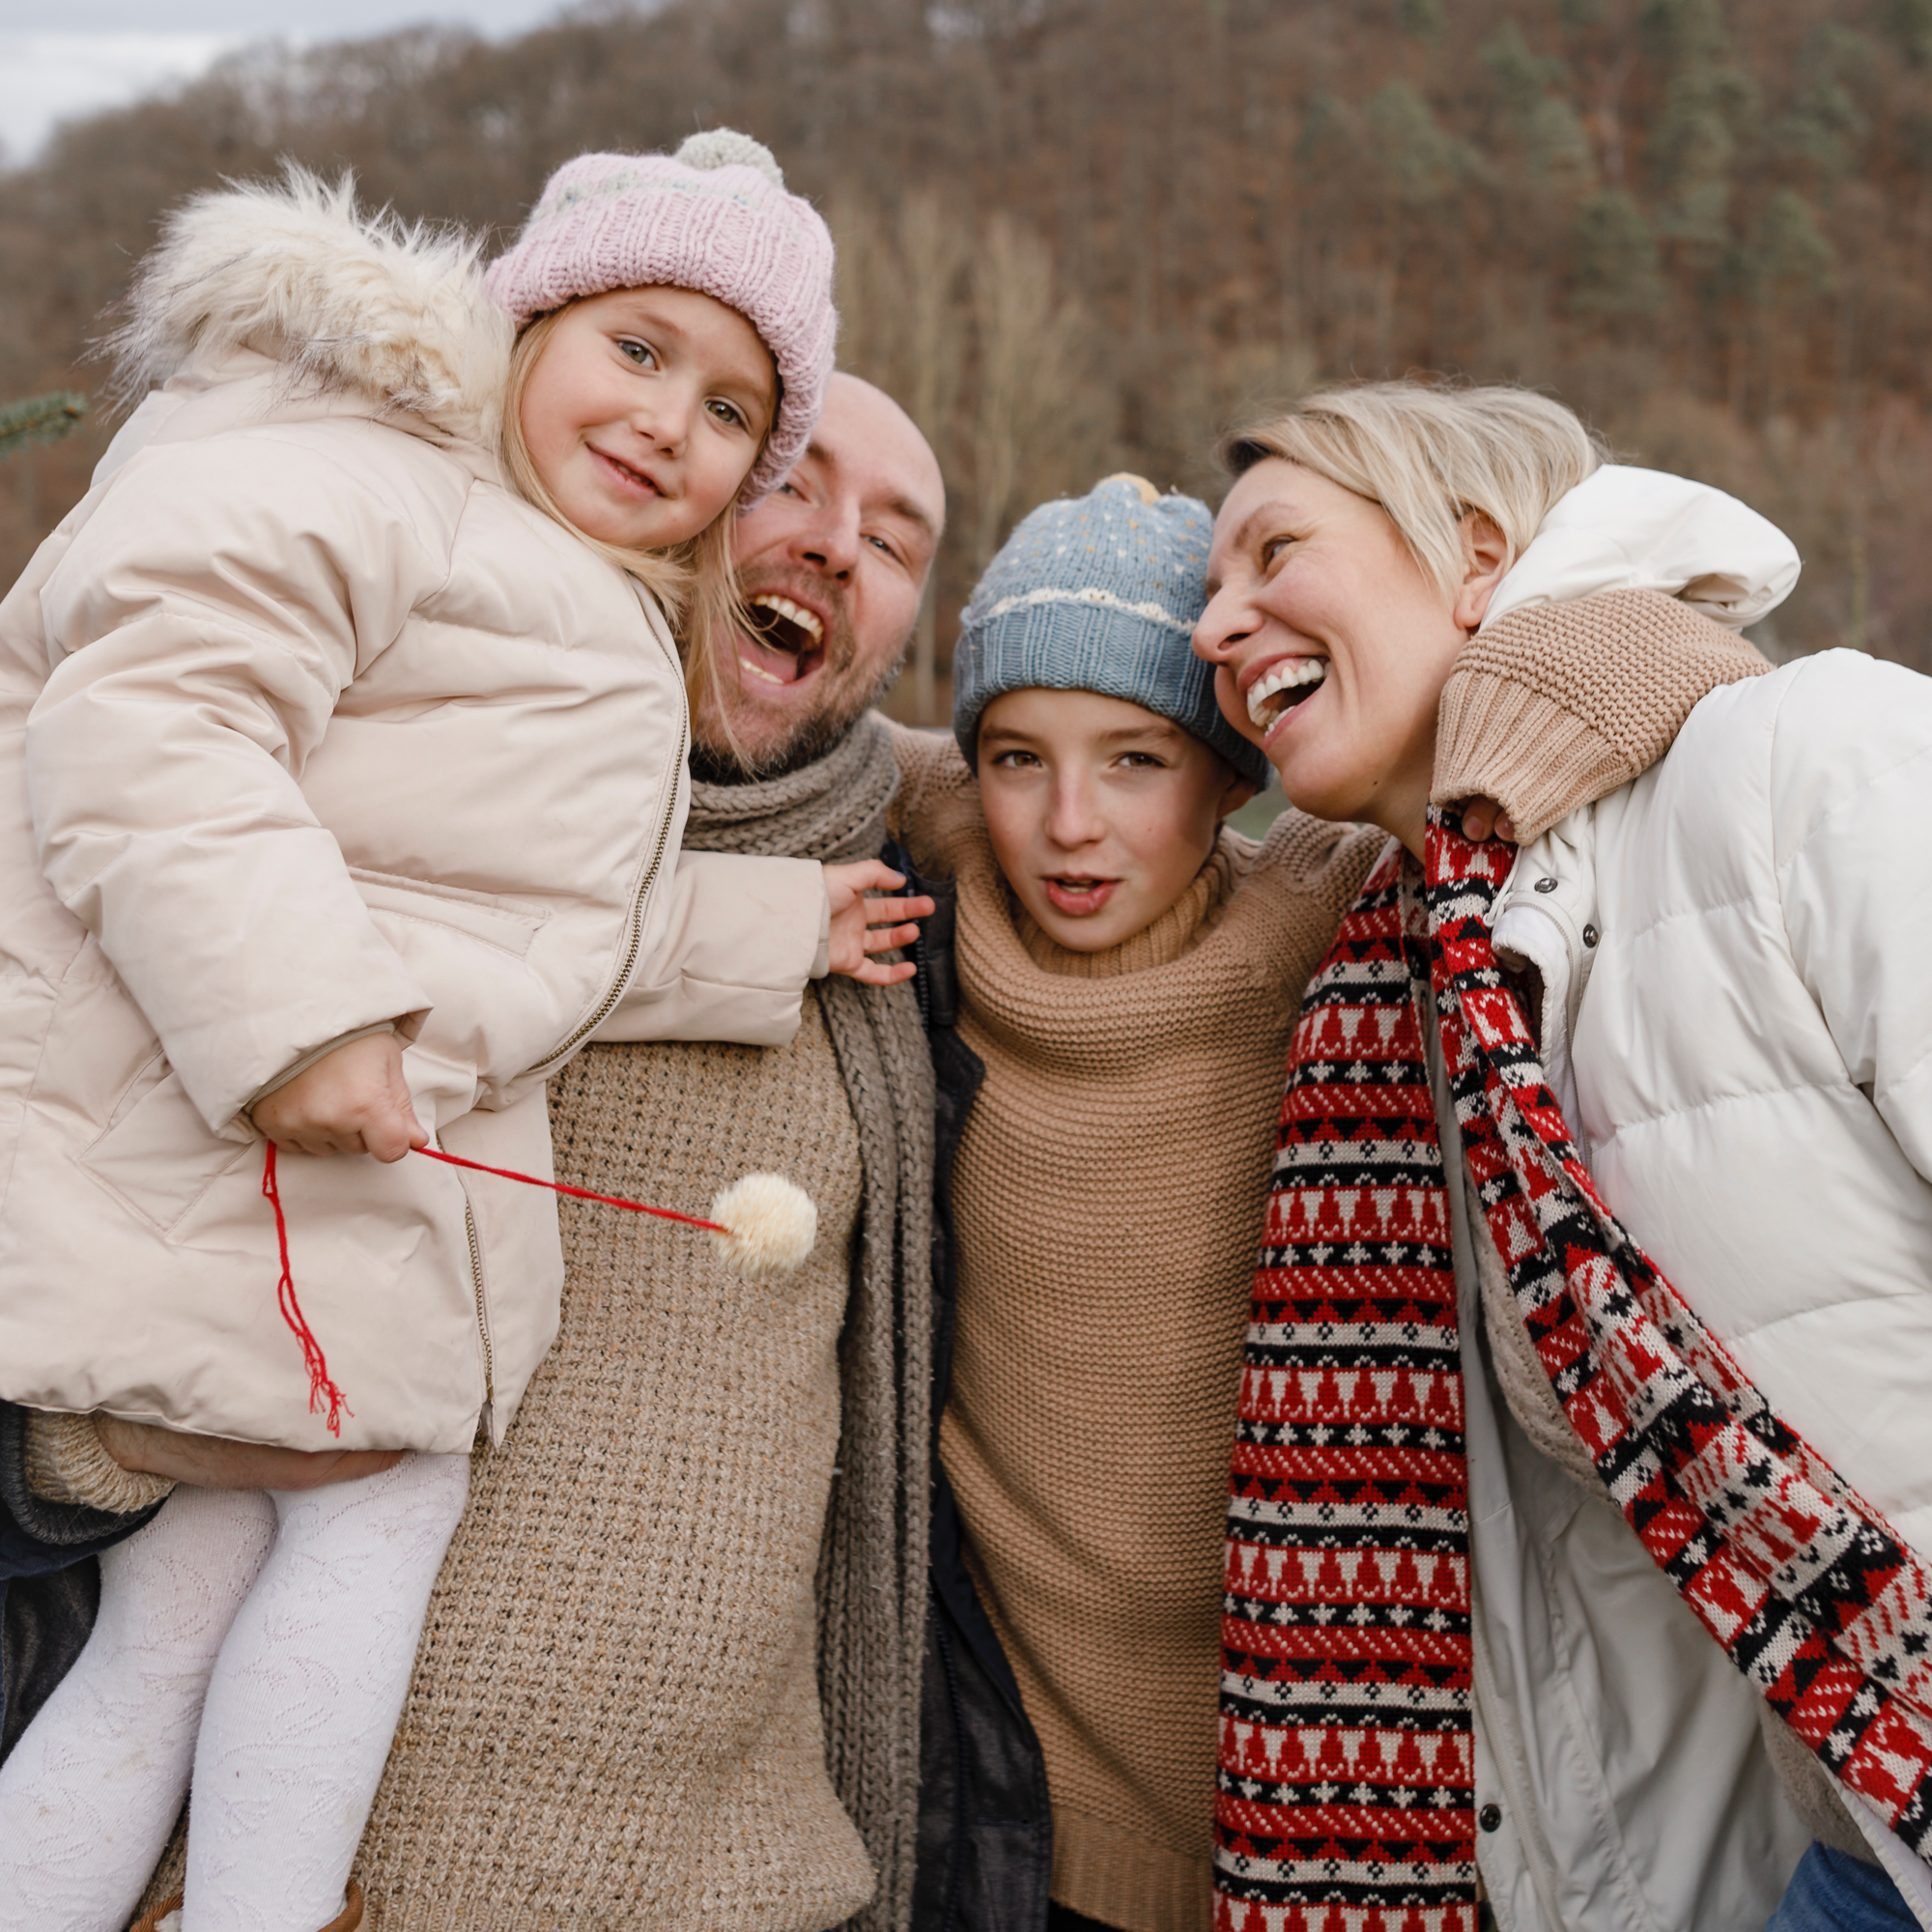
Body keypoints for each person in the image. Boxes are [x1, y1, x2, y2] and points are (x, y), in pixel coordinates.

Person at [0, 137, 930, 1932]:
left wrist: (769, 925)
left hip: (275, 1163)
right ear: (519, 321)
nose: (674, 425)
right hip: (236, 1141)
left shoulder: (562, 589)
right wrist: (296, 1018)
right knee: (377, 1518)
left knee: (176, 1619)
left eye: (736, 407)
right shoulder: (382, 490)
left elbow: (526, 918)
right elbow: (150, 730)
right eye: (636, 350)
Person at [885, 469, 1753, 1932]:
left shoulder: (1329, 909)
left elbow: (1536, 728)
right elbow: (758, 718)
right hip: (1029, 1811)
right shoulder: (939, 896)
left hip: (1343, 1761)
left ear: (1235, 772)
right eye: (1019, 758)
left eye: (1139, 760)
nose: (1069, 823)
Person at [1195, 382, 1932, 1932]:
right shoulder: (1424, 971)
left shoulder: (1806, 758)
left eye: (1274, 550)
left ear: (1474, 549)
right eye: (1208, 595)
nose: (1219, 626)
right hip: (1846, 1851)